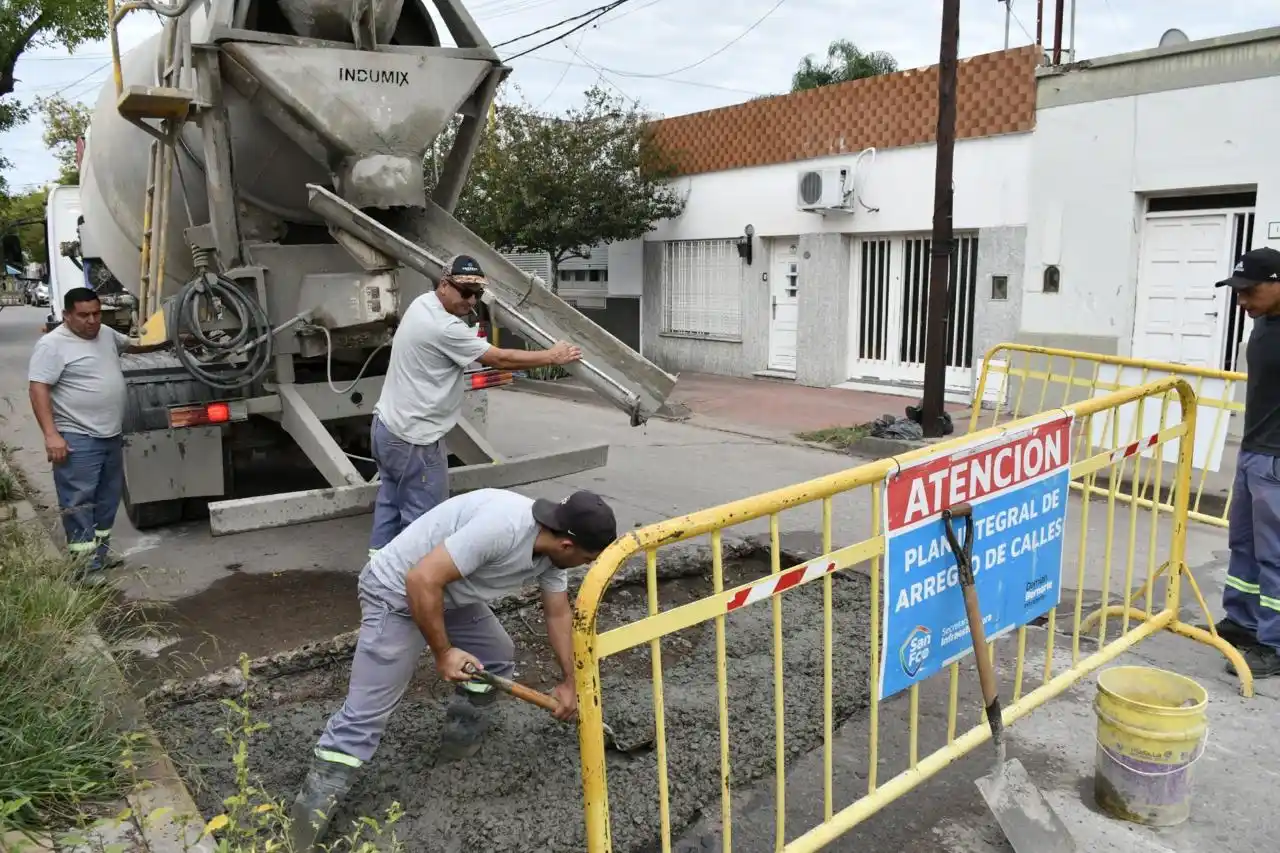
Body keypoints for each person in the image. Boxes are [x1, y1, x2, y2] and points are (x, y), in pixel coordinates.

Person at [289, 487, 618, 850]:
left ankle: (456, 759)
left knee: (495, 656)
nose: (587, 565)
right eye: (587, 559)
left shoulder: (553, 554)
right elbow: (419, 580)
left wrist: (572, 681)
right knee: (364, 718)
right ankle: (300, 836)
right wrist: (443, 652)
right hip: (395, 592)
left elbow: (557, 614)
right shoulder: (503, 527)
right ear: (567, 545)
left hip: (446, 592)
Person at [368, 253, 584, 558]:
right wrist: (552, 356)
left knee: (390, 503)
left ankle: (377, 567)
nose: (471, 301)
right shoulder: (444, 328)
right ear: (444, 285)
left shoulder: (422, 304)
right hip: (415, 439)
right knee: (424, 526)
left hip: (387, 429)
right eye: (465, 292)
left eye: (477, 294)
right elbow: (499, 359)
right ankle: (411, 580)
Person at [27, 287, 170, 581]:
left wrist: (172, 340)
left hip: (110, 434)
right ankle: (85, 569)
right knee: (79, 501)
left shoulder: (105, 333)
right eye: (84, 315)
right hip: (77, 436)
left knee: (107, 499)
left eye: (96, 313)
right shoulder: (52, 345)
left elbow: (132, 346)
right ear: (66, 315)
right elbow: (38, 388)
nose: (92, 321)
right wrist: (51, 435)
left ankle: (99, 555)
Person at [1213, 246, 1280, 678]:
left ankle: (1274, 644)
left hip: (1276, 460)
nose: (1241, 302)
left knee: (1275, 557)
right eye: (1237, 292)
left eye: (1249, 291)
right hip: (1253, 451)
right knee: (1245, 545)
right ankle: (1242, 619)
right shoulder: (1263, 321)